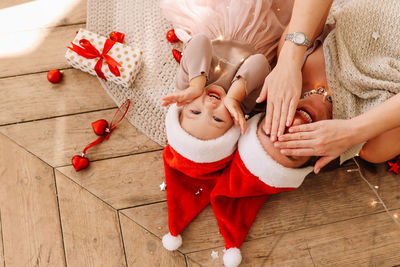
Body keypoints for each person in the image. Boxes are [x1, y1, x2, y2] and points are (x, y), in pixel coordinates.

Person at [274, 0, 400, 173]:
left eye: (274, 132)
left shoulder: (291, 67)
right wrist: (353, 131)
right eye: (293, 149)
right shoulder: (372, 147)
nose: (293, 127)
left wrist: (288, 61)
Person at [160, 0, 294, 139]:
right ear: (234, 123)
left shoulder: (186, 86)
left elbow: (200, 41)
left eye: (195, 112)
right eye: (217, 119)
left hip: (220, 22)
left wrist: (196, 85)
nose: (209, 106)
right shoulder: (243, 104)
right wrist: (234, 97)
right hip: (260, 33)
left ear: (183, 105)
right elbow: (259, 62)